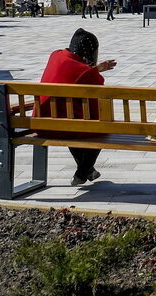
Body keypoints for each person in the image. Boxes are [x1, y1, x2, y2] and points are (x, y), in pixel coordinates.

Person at [38, 28, 117, 185]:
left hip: (42, 124)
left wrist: (95, 69)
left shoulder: (55, 55)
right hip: (63, 129)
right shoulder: (86, 73)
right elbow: (96, 107)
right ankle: (82, 172)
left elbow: (73, 72)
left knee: (68, 120)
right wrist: (93, 71)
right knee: (100, 128)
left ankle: (88, 170)